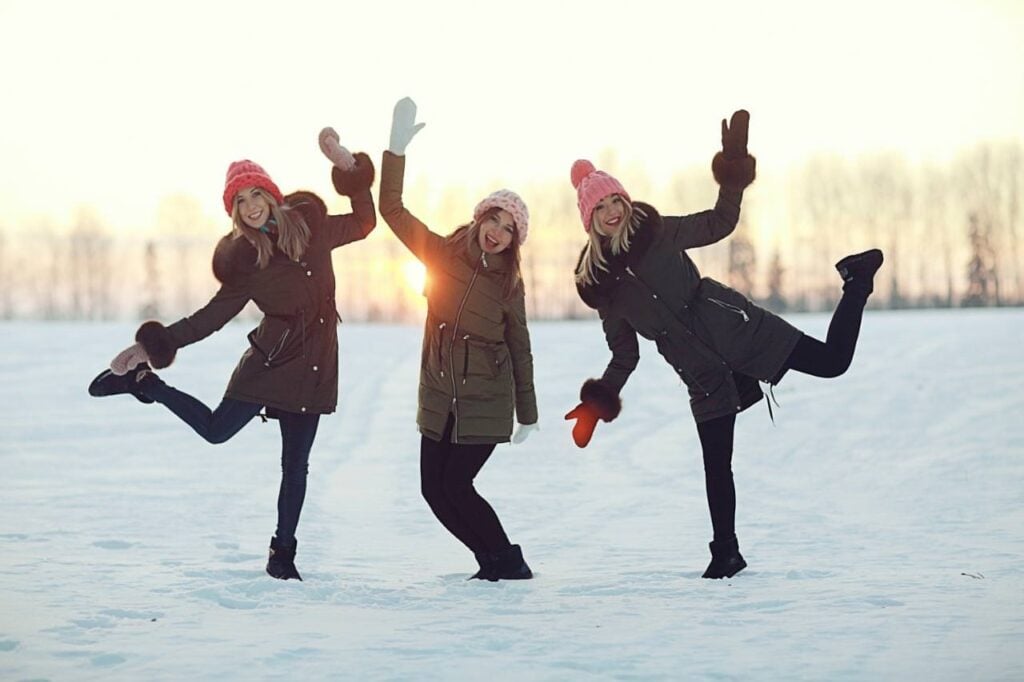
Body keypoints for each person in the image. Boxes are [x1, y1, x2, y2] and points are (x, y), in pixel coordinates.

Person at [563, 110, 883, 579]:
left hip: (735, 326)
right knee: (717, 465)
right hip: (698, 369)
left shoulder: (656, 231)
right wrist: (597, 402)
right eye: (602, 206)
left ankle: (855, 281)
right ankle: (725, 553)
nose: (613, 210)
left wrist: (732, 169)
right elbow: (624, 353)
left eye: (617, 199)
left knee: (834, 362)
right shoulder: (602, 284)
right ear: (589, 219)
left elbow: (718, 222)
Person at [88, 128, 377, 581]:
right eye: (239, 201)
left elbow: (365, 222)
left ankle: (282, 555)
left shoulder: (314, 228)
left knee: (295, 465)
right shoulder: (247, 263)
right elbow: (208, 318)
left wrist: (347, 167)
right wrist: (151, 347)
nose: (250, 206)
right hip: (269, 364)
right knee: (217, 431)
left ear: (270, 193)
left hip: (316, 365)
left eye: (254, 193)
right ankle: (146, 384)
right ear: (234, 212)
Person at [379, 97, 538, 581]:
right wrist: (395, 151)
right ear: (481, 216)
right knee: (434, 489)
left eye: (509, 230)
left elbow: (520, 345)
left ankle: (506, 562)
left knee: (457, 484)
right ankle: (492, 562)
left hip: (487, 395)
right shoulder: (439, 252)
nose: (498, 233)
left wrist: (526, 412)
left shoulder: (508, 284)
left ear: (514, 241)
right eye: (495, 219)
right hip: (441, 392)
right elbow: (391, 208)